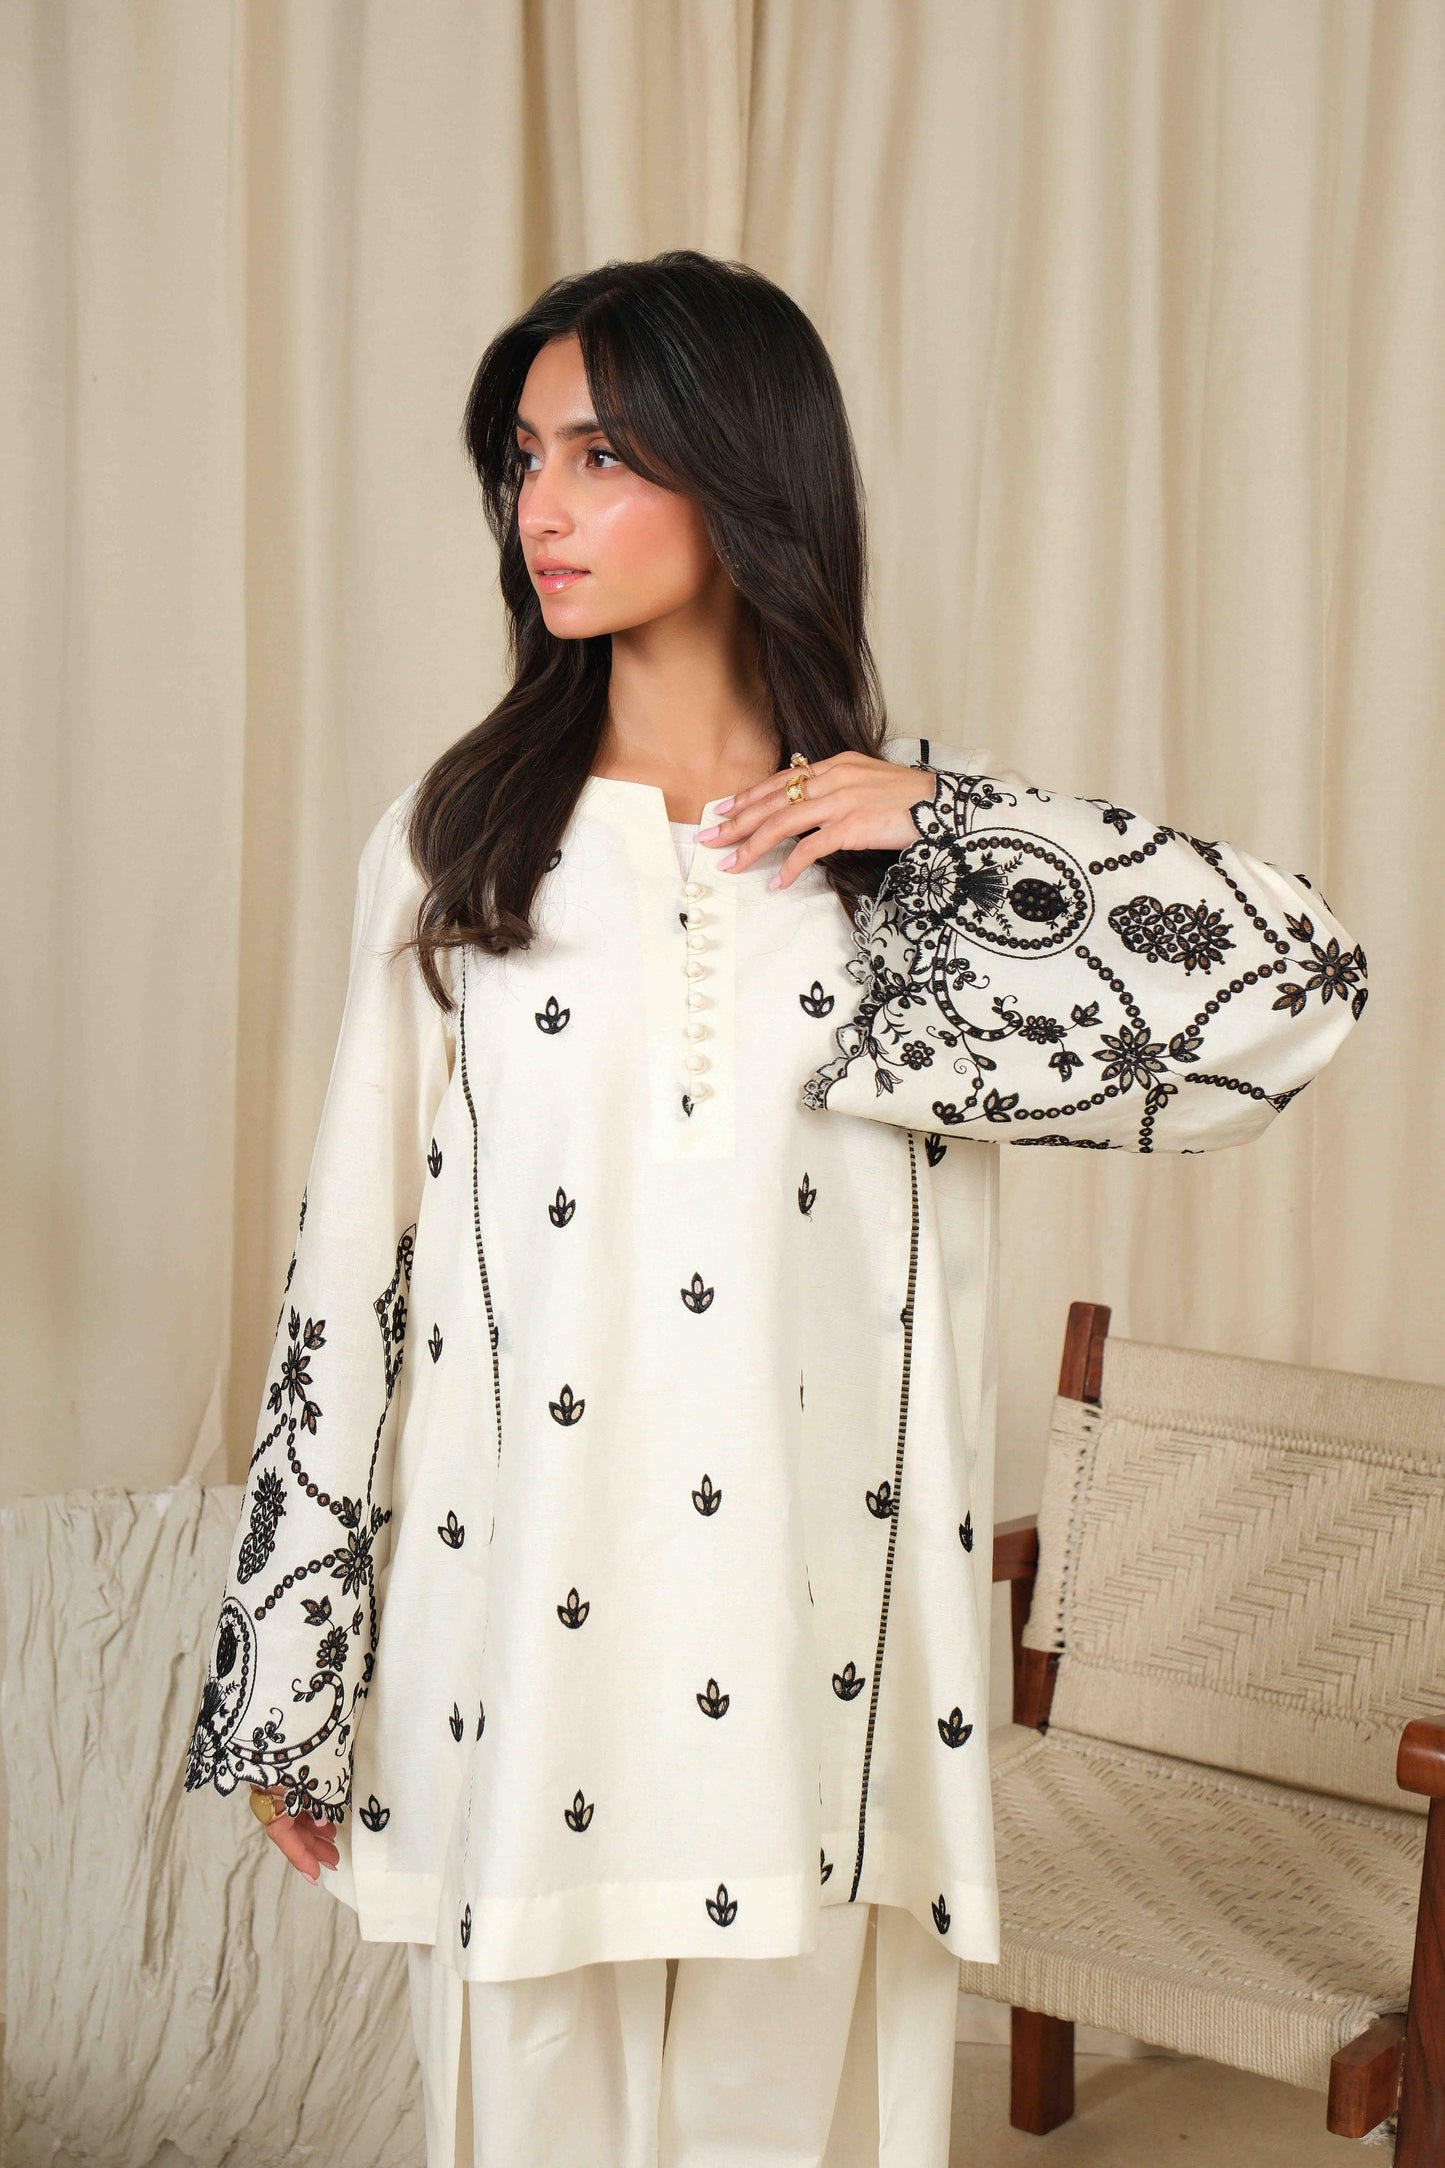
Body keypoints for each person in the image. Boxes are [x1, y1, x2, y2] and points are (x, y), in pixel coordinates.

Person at [183, 249, 1368, 2167]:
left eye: (600, 455)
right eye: (522, 459)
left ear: (743, 474)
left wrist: (957, 826)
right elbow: (352, 1264)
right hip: (520, 1659)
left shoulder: (911, 879)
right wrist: (289, 1673)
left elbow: (1294, 999)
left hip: (822, 1669)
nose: (542, 506)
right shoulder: (463, 845)